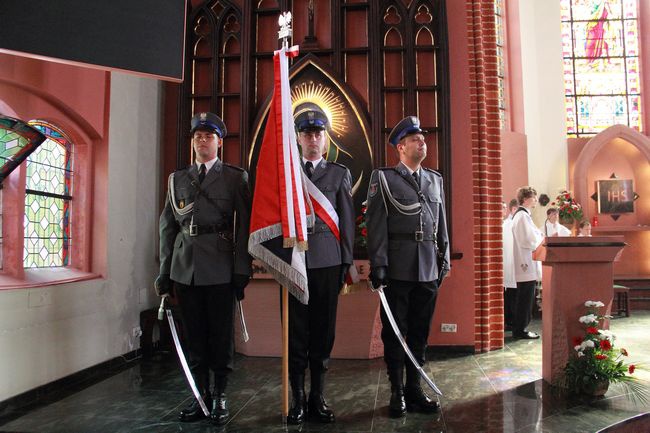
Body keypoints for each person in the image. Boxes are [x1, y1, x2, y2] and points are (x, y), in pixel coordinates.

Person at [155, 112, 252, 425]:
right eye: (197, 135)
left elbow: (245, 227)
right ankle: (200, 396)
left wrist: (241, 269)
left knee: (221, 336)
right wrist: (164, 271)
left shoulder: (235, 177)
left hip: (221, 267)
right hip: (185, 269)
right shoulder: (177, 179)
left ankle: (221, 394)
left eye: (208, 136)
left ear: (219, 142)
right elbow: (167, 228)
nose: (202, 140)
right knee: (194, 336)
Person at [365, 116, 450, 418]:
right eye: (415, 138)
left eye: (423, 137)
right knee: (395, 333)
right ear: (401, 146)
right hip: (397, 268)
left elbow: (441, 224)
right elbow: (374, 223)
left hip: (428, 265)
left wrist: (445, 259)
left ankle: (415, 389)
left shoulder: (435, 179)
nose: (422, 142)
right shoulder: (383, 178)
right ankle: (397, 391)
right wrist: (379, 264)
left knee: (419, 332)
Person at [287, 104, 355, 425]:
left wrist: (346, 262)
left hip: (327, 261)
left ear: (325, 139)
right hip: (294, 261)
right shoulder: (287, 174)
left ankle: (318, 395)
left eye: (317, 133)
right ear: (298, 138)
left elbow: (347, 223)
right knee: (296, 331)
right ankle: (297, 398)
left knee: (323, 331)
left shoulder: (339, 174)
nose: (312, 138)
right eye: (306, 133)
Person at [511, 186, 544, 340]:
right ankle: (521, 329)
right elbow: (528, 239)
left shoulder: (523, 215)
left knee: (525, 296)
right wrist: (541, 239)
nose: (536, 200)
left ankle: (520, 327)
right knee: (525, 297)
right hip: (525, 262)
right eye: (533, 197)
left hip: (525, 261)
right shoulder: (522, 216)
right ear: (525, 199)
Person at [503, 199, 518, 330]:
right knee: (511, 293)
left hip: (515, 263)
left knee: (514, 292)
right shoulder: (508, 224)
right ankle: (510, 319)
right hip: (509, 262)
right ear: (514, 209)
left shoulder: (515, 222)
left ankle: (513, 319)